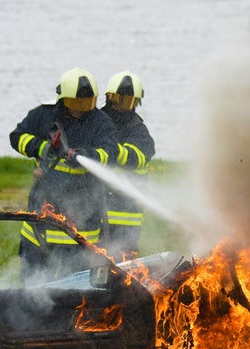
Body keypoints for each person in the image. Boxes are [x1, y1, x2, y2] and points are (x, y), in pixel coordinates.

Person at [9, 67, 119, 284]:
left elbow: (111, 152)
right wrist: (41, 148)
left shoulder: (101, 122)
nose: (82, 109)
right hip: (43, 213)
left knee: (77, 286)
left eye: (87, 103)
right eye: (76, 103)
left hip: (84, 217)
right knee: (32, 283)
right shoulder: (44, 115)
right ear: (63, 98)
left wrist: (89, 155)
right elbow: (17, 137)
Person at [100, 71, 156, 260]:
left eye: (129, 102)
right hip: (97, 212)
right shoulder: (96, 122)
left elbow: (138, 157)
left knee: (124, 269)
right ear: (108, 97)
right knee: (92, 262)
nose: (122, 107)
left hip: (126, 217)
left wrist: (110, 151)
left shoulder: (138, 131)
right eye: (119, 100)